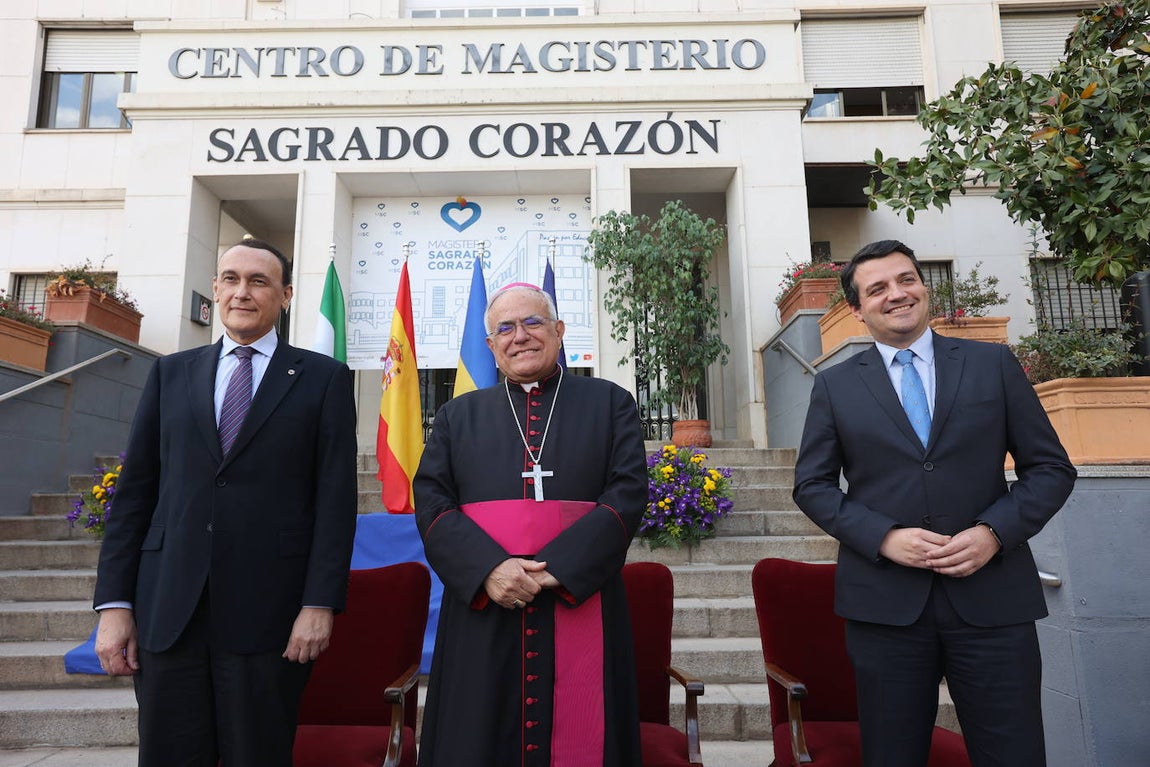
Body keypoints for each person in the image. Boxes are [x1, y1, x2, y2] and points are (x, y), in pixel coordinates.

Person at [793, 240, 1076, 766]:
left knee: (1012, 752)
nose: (897, 294)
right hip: (886, 609)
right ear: (856, 309)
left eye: (906, 280)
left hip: (993, 601)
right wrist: (881, 536)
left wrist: (994, 533)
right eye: (877, 288)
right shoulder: (834, 386)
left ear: (924, 286)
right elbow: (811, 486)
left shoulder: (992, 363)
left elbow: (1052, 469)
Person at [92, 239, 359, 767]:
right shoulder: (171, 373)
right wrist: (115, 604)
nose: (243, 291)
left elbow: (335, 503)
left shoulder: (323, 380)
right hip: (169, 608)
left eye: (259, 281)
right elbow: (135, 496)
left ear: (284, 295)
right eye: (231, 278)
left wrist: (319, 604)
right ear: (215, 289)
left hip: (269, 616)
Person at [414, 283, 646, 767]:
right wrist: (488, 570)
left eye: (533, 323)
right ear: (490, 346)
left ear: (559, 332)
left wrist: (557, 568)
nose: (519, 336)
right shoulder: (457, 416)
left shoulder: (610, 403)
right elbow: (432, 501)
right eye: (505, 327)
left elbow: (626, 494)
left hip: (581, 595)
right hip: (485, 605)